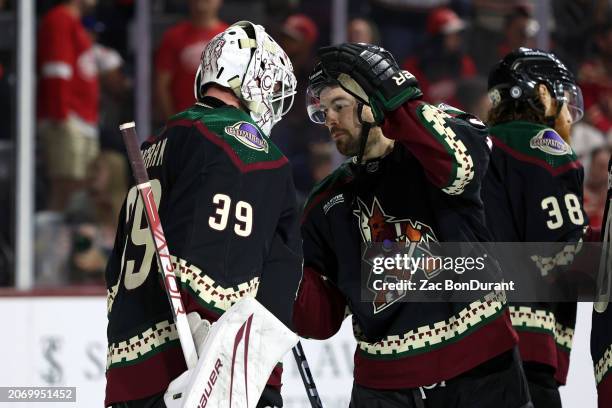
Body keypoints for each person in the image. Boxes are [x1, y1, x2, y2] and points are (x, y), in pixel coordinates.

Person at [293, 43, 530, 407]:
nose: (329, 120)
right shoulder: (327, 202)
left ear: (374, 102)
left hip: (478, 372)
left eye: (338, 105)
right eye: (323, 111)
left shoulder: (442, 133)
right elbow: (319, 321)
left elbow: (456, 168)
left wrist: (393, 95)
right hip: (384, 389)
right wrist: (276, 260)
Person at [105, 21, 301, 407]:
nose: (273, 101)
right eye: (270, 84)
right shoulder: (242, 148)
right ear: (246, 78)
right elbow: (217, 270)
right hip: (205, 377)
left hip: (130, 375)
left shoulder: (156, 144)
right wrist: (226, 376)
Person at [482, 48, 587, 407]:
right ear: (542, 94)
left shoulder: (473, 147)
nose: (569, 118)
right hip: (524, 344)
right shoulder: (544, 144)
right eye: (565, 101)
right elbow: (564, 253)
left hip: (469, 351)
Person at [37, 0, 99, 211]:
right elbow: (56, 69)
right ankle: (50, 242)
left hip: (81, 118)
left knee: (79, 191)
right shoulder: (59, 20)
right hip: (67, 118)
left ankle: (67, 240)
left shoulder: (75, 22)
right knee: (64, 188)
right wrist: (60, 116)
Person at [154, 0, 228, 119]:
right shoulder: (173, 36)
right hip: (183, 118)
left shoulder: (231, 38)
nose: (201, 5)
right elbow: (162, 84)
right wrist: (173, 121)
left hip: (219, 121)